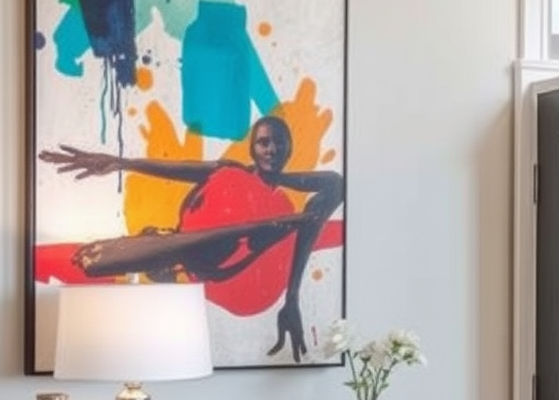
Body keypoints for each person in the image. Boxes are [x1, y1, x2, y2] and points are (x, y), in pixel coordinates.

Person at [40, 115, 343, 363]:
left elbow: (334, 184)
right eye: (264, 142)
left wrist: (292, 298)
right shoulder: (228, 174)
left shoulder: (270, 199)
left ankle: (241, 235)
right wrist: (123, 163)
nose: (272, 149)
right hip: (221, 262)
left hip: (249, 283)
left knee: (258, 227)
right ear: (252, 148)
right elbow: (178, 169)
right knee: (232, 223)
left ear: (289, 148)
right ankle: (228, 238)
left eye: (279, 142)